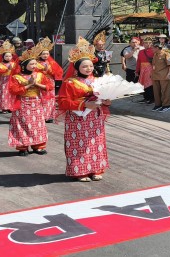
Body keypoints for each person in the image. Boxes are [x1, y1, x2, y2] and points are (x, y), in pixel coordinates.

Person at [56, 38, 111, 182]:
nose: (89, 69)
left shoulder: (98, 81)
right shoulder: (69, 83)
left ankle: (96, 169)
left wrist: (106, 101)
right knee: (78, 144)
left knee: (95, 143)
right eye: (85, 66)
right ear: (77, 67)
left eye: (90, 66)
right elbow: (62, 102)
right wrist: (84, 105)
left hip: (95, 118)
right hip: (77, 118)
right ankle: (80, 171)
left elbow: (102, 97)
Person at [6, 58, 49, 156]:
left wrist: (37, 84)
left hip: (37, 102)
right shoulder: (16, 77)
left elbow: (48, 86)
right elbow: (13, 90)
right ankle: (23, 147)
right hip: (22, 102)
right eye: (31, 64)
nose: (34, 66)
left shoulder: (40, 75)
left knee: (38, 125)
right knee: (22, 125)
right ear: (24, 66)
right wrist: (28, 85)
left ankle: (38, 146)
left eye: (35, 64)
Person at [0, 47, 19, 113]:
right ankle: (4, 107)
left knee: (12, 94)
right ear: (3, 57)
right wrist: (7, 69)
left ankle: (10, 107)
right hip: (3, 81)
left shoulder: (14, 64)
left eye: (10, 56)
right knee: (4, 93)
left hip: (12, 81)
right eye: (6, 56)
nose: (8, 57)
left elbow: (18, 71)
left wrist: (13, 70)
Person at [151, 42, 170, 112]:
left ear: (157, 48)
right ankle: (158, 104)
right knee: (156, 91)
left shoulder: (166, 54)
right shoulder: (155, 54)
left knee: (165, 91)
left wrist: (169, 74)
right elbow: (154, 64)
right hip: (155, 75)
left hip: (164, 75)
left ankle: (167, 105)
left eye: (153, 48)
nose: (151, 49)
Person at [136, 37, 156, 104]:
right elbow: (138, 62)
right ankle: (146, 98)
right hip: (142, 70)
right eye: (146, 43)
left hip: (150, 69)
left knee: (150, 85)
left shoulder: (154, 51)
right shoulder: (141, 51)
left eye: (149, 43)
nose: (148, 44)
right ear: (143, 44)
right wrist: (137, 70)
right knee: (143, 84)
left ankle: (152, 99)